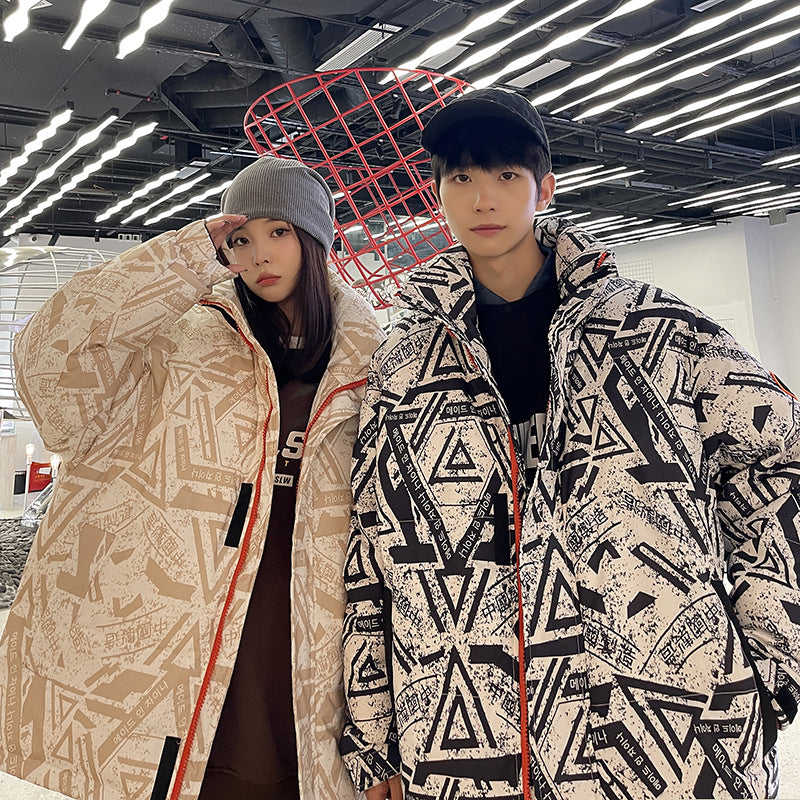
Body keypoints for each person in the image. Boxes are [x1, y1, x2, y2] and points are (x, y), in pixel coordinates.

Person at [339, 86, 800, 799]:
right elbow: (373, 543)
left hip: (667, 734)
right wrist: (375, 738)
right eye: (461, 178)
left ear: (544, 188)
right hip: (467, 742)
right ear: (438, 195)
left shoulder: (653, 330)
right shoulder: (404, 366)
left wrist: (772, 660)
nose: (483, 199)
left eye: (506, 175)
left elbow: (777, 460)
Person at [0, 155, 384, 800]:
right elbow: (50, 358)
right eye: (241, 239)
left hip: (304, 635)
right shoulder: (177, 344)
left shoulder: (373, 359)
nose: (260, 255)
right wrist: (182, 258)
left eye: (279, 232)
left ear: (315, 240)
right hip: (172, 633)